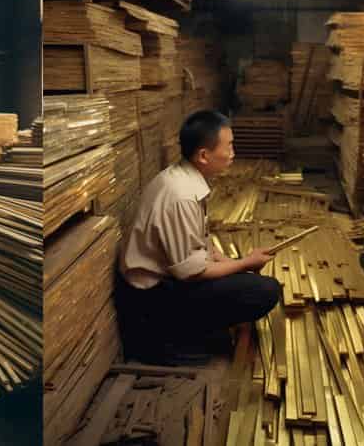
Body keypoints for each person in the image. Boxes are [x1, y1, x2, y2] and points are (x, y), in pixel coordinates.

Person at [117, 110, 280, 362]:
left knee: (242, 279)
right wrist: (246, 263)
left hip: (167, 283)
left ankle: (188, 330)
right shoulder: (182, 195)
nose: (233, 153)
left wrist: (230, 263)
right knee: (265, 290)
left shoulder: (183, 177)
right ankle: (166, 341)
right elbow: (190, 271)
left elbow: (199, 244)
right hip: (151, 300)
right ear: (204, 155)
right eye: (229, 146)